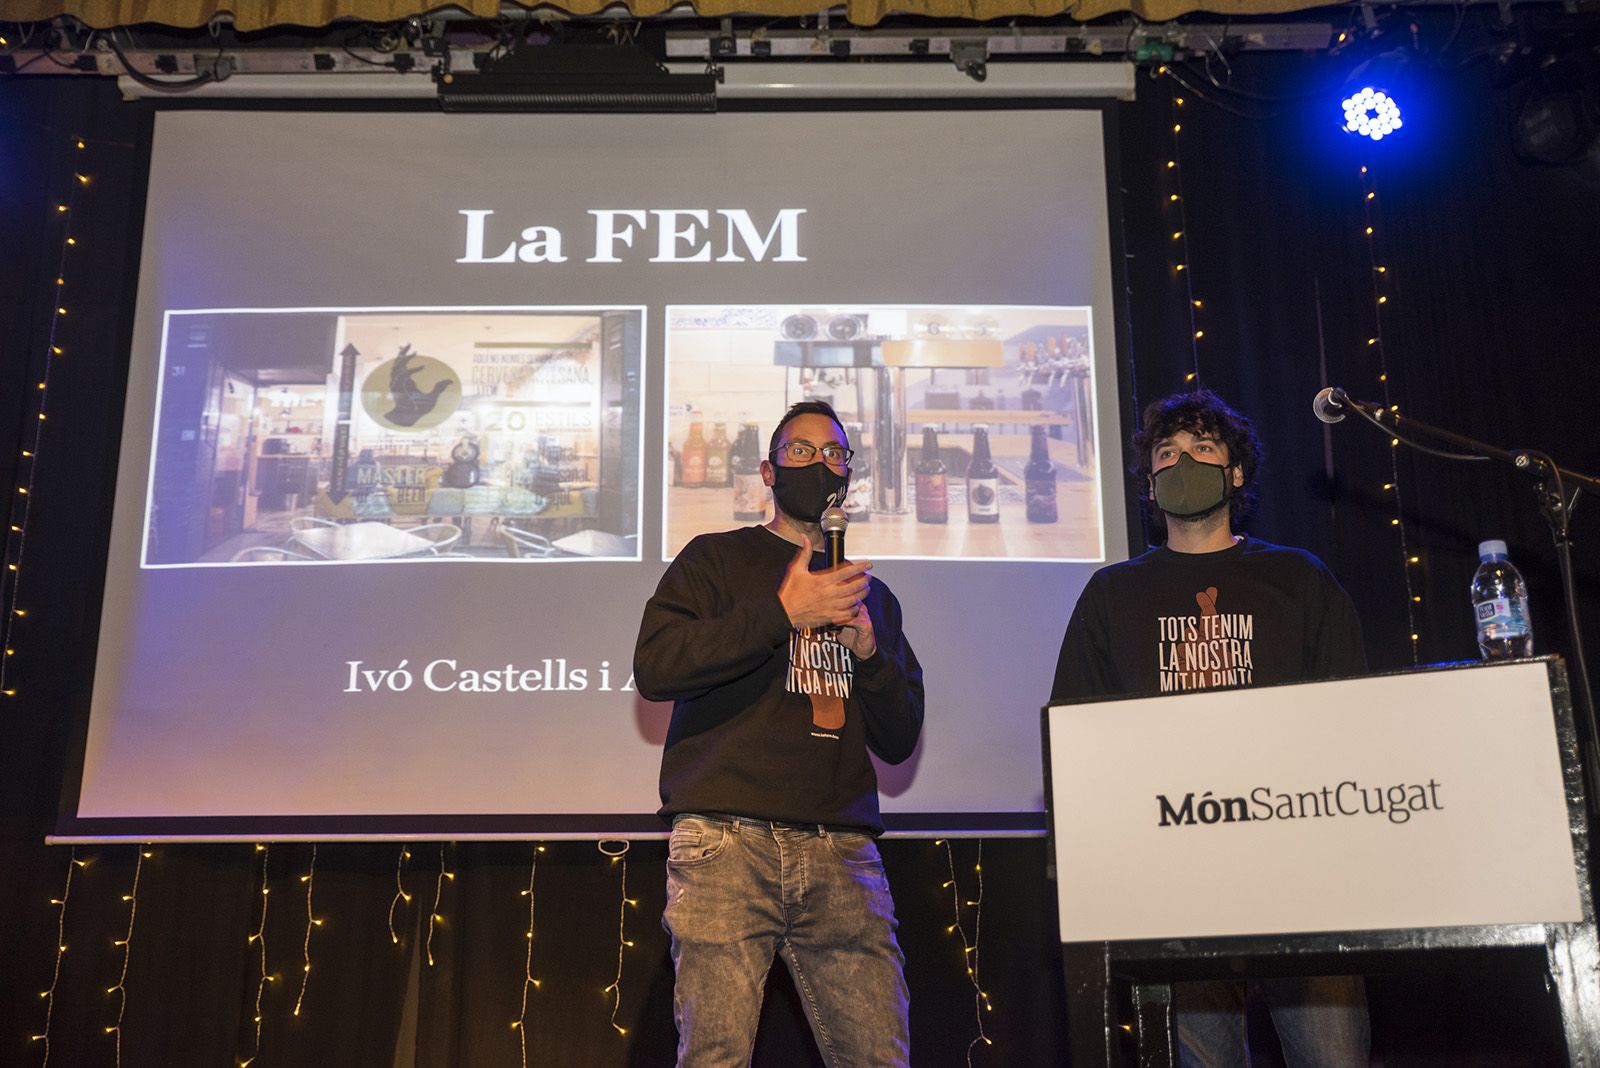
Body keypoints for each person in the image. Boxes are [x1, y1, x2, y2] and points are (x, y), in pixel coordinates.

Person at [1051, 388, 1370, 1067]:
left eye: (1202, 449)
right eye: (1167, 453)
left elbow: (1352, 716)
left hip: (1299, 863)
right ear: (1149, 482)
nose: (1182, 462)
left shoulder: (1297, 578)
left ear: (1236, 474)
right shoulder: (1112, 593)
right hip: (1174, 871)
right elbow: (1079, 740)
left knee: (1333, 1057)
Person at [635, 400, 925, 1067]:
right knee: (716, 1059)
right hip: (726, 845)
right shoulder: (713, 561)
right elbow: (655, 666)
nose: (819, 464)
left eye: (834, 454)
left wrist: (872, 656)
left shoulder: (870, 595)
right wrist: (781, 613)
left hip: (842, 854)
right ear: (768, 471)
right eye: (801, 452)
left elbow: (900, 738)